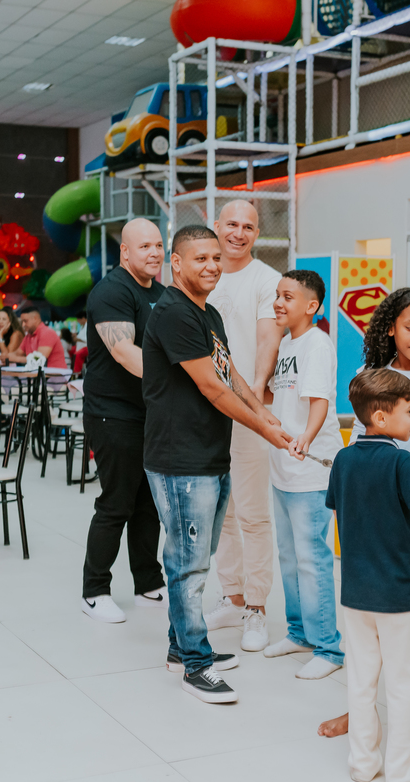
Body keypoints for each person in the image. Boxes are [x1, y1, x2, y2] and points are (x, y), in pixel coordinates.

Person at [141, 224, 292, 703]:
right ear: (176, 263)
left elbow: (231, 374)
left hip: (208, 456)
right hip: (179, 461)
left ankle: (178, 649)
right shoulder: (173, 314)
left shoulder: (206, 313)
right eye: (198, 258)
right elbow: (211, 387)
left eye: (214, 258)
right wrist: (265, 429)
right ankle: (196, 665)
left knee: (193, 560)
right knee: (188, 567)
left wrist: (263, 409)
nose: (210, 265)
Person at [319, 287, 410, 743]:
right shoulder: (369, 374)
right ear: (390, 328)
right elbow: (361, 444)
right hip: (370, 509)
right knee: (366, 614)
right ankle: (360, 713)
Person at [328, 368, 410, 782]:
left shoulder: (345, 457)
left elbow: (339, 510)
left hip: (356, 591)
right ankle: (403, 777)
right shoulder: (402, 460)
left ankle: (362, 765)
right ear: (381, 417)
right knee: (403, 686)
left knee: (361, 681)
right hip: (401, 593)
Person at [202, 199, 284, 652]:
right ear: (216, 225)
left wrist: (250, 401)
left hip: (245, 410)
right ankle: (232, 597)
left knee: (252, 512)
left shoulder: (265, 280)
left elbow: (266, 343)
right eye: (231, 223)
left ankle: (257, 606)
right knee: (223, 513)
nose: (238, 232)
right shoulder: (205, 273)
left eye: (248, 226)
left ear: (257, 234)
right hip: (204, 411)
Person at [79, 218, 168, 624]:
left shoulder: (163, 294)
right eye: (144, 246)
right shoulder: (112, 291)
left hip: (151, 413)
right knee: (116, 502)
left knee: (149, 501)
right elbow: (125, 354)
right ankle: (95, 590)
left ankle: (148, 581)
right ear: (125, 252)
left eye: (158, 245)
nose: (153, 252)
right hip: (112, 413)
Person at [260, 269, 346, 679]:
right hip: (282, 469)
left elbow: (320, 402)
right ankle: (299, 633)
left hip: (309, 470)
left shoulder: (317, 343)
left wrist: (305, 440)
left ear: (311, 306)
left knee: (313, 559)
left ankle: (329, 648)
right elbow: (278, 396)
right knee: (290, 558)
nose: (279, 302)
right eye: (277, 295)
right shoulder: (286, 343)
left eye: (288, 297)